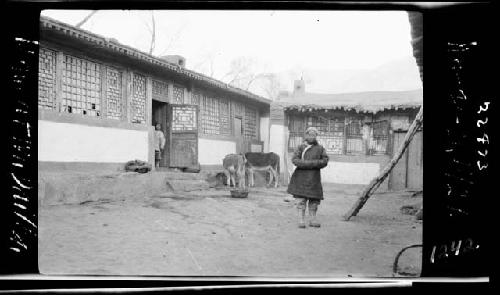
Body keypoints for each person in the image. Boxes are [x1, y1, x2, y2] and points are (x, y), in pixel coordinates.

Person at [287, 127, 329, 228]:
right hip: (301, 177)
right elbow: (295, 160)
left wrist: (312, 163)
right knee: (301, 200)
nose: (312, 136)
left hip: (314, 178)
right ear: (306, 135)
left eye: (314, 135)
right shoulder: (301, 147)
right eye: (310, 134)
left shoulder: (320, 148)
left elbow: (325, 161)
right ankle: (301, 220)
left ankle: (312, 219)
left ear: (316, 136)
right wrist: (310, 164)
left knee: (314, 201)